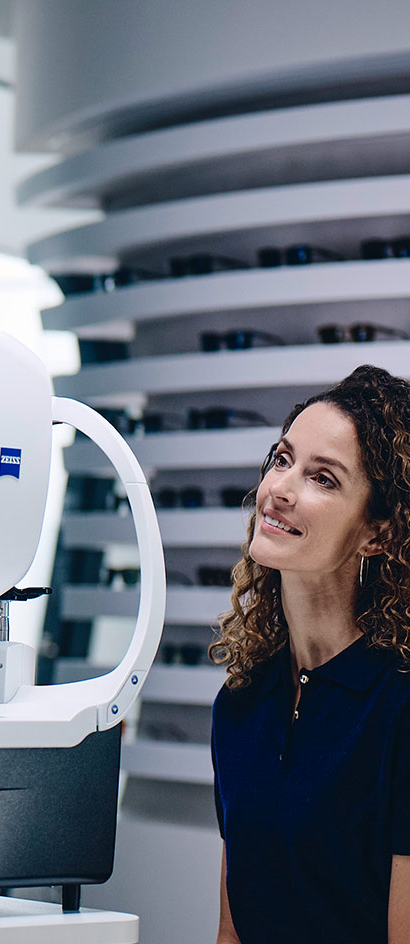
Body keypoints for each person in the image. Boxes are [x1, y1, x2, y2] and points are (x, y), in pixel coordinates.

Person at [212, 365, 410, 944]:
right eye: (282, 459)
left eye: (323, 479)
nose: (281, 488)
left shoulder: (399, 710)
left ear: (378, 534)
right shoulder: (241, 703)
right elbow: (233, 931)